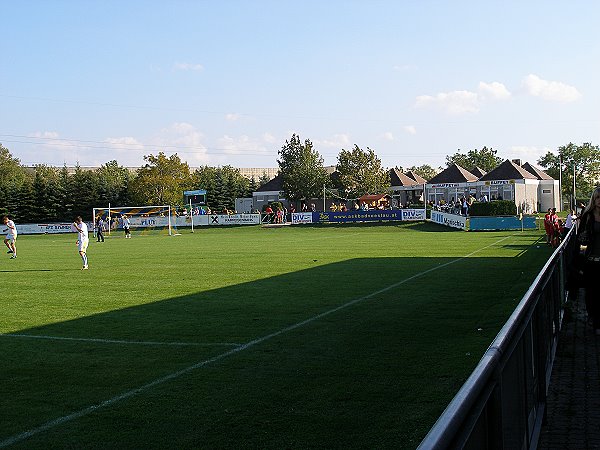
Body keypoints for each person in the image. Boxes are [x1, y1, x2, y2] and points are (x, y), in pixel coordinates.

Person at [576, 187, 600, 334]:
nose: (599, 201)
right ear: (594, 199)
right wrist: (580, 258)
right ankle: (594, 320)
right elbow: (581, 240)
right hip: (591, 262)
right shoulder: (588, 216)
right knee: (592, 293)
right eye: (597, 198)